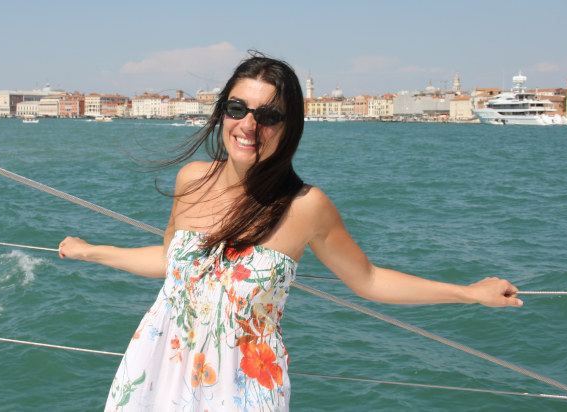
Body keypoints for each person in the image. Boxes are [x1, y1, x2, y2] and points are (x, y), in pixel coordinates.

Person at [58, 52, 522, 411]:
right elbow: (170, 262)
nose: (249, 125)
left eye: (269, 116)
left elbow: (369, 279)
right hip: (159, 366)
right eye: (237, 107)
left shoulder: (305, 207)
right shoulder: (191, 181)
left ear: (290, 125)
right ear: (222, 111)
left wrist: (468, 293)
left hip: (242, 385)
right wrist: (90, 252)